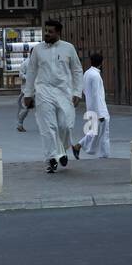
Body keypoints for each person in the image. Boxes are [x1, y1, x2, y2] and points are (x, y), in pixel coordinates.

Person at [21, 19, 83, 173]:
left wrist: (77, 92)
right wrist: (28, 93)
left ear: (58, 32)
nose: (47, 34)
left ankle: (61, 150)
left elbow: (77, 70)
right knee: (48, 126)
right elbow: (32, 72)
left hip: (64, 92)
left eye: (50, 31)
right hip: (43, 91)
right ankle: (52, 158)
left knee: (65, 125)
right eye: (46, 31)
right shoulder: (37, 50)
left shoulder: (68, 48)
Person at [79, 51, 111, 158]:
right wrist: (100, 114)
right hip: (99, 109)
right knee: (103, 133)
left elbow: (84, 90)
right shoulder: (96, 76)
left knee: (94, 131)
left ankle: (79, 146)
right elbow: (97, 95)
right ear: (101, 63)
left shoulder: (87, 73)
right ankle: (104, 155)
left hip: (91, 107)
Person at [16, 44, 32, 132]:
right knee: (25, 108)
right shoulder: (25, 63)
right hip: (27, 89)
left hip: (39, 89)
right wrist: (28, 78)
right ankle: (19, 124)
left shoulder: (40, 63)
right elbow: (21, 74)